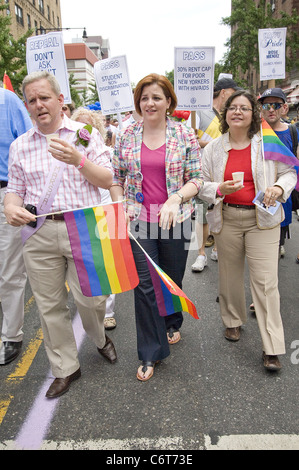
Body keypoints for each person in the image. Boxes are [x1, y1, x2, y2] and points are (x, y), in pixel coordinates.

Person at [4, 71, 117, 398]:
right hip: (38, 232)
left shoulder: (83, 135)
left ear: (60, 100)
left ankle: (99, 338)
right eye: (32, 100)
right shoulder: (20, 146)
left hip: (83, 227)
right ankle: (65, 368)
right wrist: (10, 207)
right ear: (26, 106)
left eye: (44, 97)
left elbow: (107, 179)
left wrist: (79, 160)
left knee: (92, 299)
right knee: (49, 305)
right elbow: (14, 190)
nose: (38, 105)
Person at [110, 73, 202, 381]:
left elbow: (197, 178)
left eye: (156, 97)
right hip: (140, 220)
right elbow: (116, 177)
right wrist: (120, 204)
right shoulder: (126, 135)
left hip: (175, 219)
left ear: (169, 102)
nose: (150, 103)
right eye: (144, 97)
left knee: (171, 278)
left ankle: (172, 321)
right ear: (138, 102)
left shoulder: (183, 134)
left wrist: (176, 198)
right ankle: (150, 351)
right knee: (146, 286)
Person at [199, 89, 297, 371]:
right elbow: (201, 184)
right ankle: (232, 322)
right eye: (232, 108)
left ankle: (272, 347)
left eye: (244, 107)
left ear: (253, 114)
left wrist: (279, 188)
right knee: (229, 276)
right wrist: (218, 188)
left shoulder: (268, 142)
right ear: (225, 114)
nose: (237, 112)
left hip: (263, 221)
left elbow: (290, 171)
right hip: (227, 218)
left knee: (266, 284)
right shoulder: (213, 149)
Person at [71, 107, 117, 330]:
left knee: (106, 264)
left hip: (105, 210)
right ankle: (90, 307)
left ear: (96, 129)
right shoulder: (66, 156)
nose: (83, 131)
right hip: (81, 215)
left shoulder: (107, 154)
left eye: (87, 126)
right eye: (78, 126)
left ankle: (108, 310)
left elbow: (113, 181)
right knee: (85, 267)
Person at [192, 78, 241, 272]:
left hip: (223, 171)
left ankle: (218, 250)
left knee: (221, 213)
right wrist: (211, 144)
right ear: (223, 92)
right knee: (202, 215)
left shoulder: (229, 115)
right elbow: (192, 142)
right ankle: (201, 254)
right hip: (203, 172)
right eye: (232, 92)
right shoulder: (199, 113)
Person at [0, 88, 32, 365]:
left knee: (9, 269)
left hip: (5, 193)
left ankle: (11, 335)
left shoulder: (7, 100)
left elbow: (31, 144)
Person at [259, 88, 299, 259]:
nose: (271, 109)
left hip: (284, 192)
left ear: (284, 108)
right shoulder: (254, 131)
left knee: (281, 223)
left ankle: (279, 243)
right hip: (261, 190)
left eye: (276, 105)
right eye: (267, 105)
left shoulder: (292, 131)